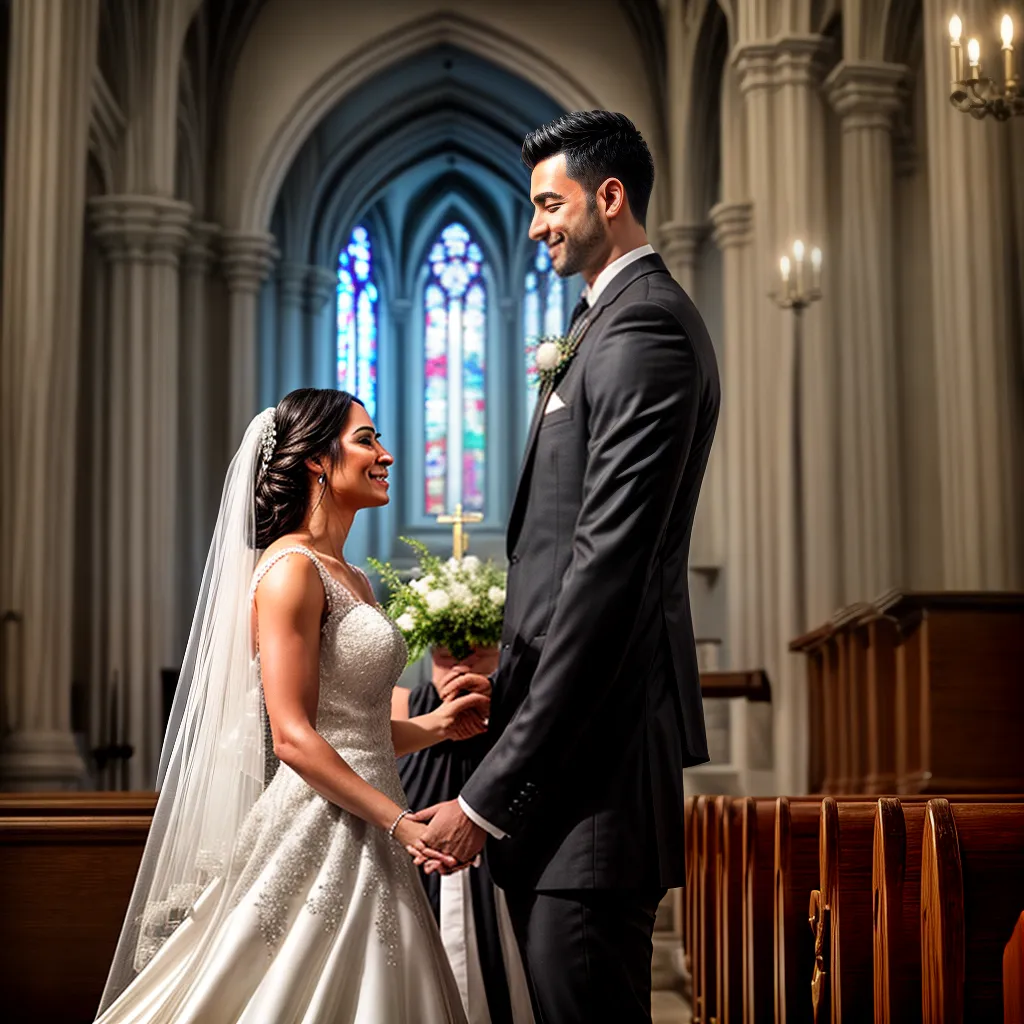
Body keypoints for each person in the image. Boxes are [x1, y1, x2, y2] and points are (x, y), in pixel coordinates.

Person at [411, 110, 721, 1023]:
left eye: (551, 202)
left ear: (610, 197)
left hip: (595, 778)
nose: (538, 223)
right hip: (569, 778)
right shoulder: (602, 326)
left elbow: (604, 581)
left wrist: (488, 793)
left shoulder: (644, 333)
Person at [95, 388, 487, 1023]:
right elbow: (295, 738)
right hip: (321, 823)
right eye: (367, 440)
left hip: (369, 811)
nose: (385, 454)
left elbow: (353, 731)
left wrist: (435, 727)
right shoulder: (292, 570)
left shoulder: (351, 576)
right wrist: (401, 822)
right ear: (317, 461)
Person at [394, 650, 534, 1024]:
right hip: (414, 863)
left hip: (500, 864)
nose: (460, 659)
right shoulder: (401, 702)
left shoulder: (516, 708)